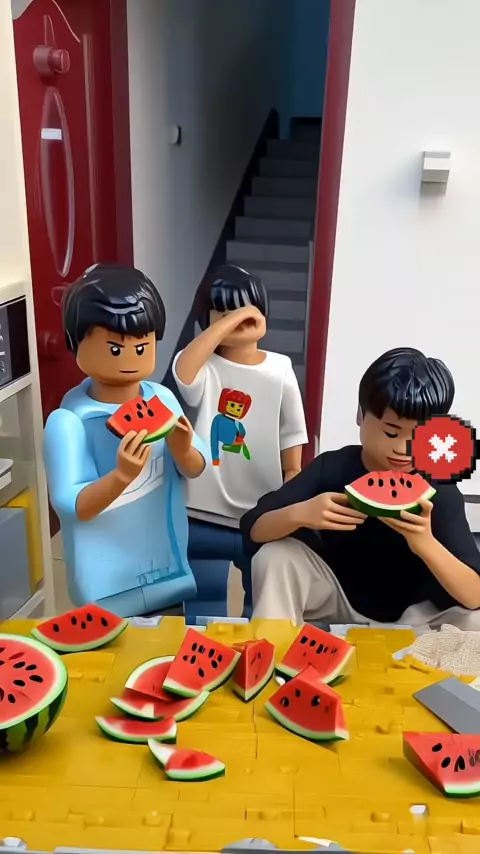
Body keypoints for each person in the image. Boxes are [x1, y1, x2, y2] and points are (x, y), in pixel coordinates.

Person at [240, 347, 480, 631]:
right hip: (336, 598)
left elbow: (474, 594)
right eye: (391, 432)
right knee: (275, 555)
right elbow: (254, 527)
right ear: (360, 415)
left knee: (475, 619)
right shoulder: (332, 467)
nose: (403, 449)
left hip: (417, 616)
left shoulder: (441, 490)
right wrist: (302, 513)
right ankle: (272, 647)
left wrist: (424, 542)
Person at [43, 264, 209, 617]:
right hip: (104, 584)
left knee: (168, 647)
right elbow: (73, 506)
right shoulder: (68, 423)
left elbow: (196, 467)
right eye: (116, 349)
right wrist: (121, 476)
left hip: (166, 571)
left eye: (142, 345)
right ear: (75, 343)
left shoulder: (162, 398)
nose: (131, 358)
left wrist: (183, 449)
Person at [173, 264, 308, 613]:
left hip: (262, 514)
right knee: (204, 599)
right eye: (224, 313)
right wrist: (227, 324)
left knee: (262, 601)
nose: (238, 318)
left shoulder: (279, 368)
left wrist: (292, 481)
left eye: (247, 308)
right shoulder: (205, 367)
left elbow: (291, 431)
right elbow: (183, 375)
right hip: (203, 511)